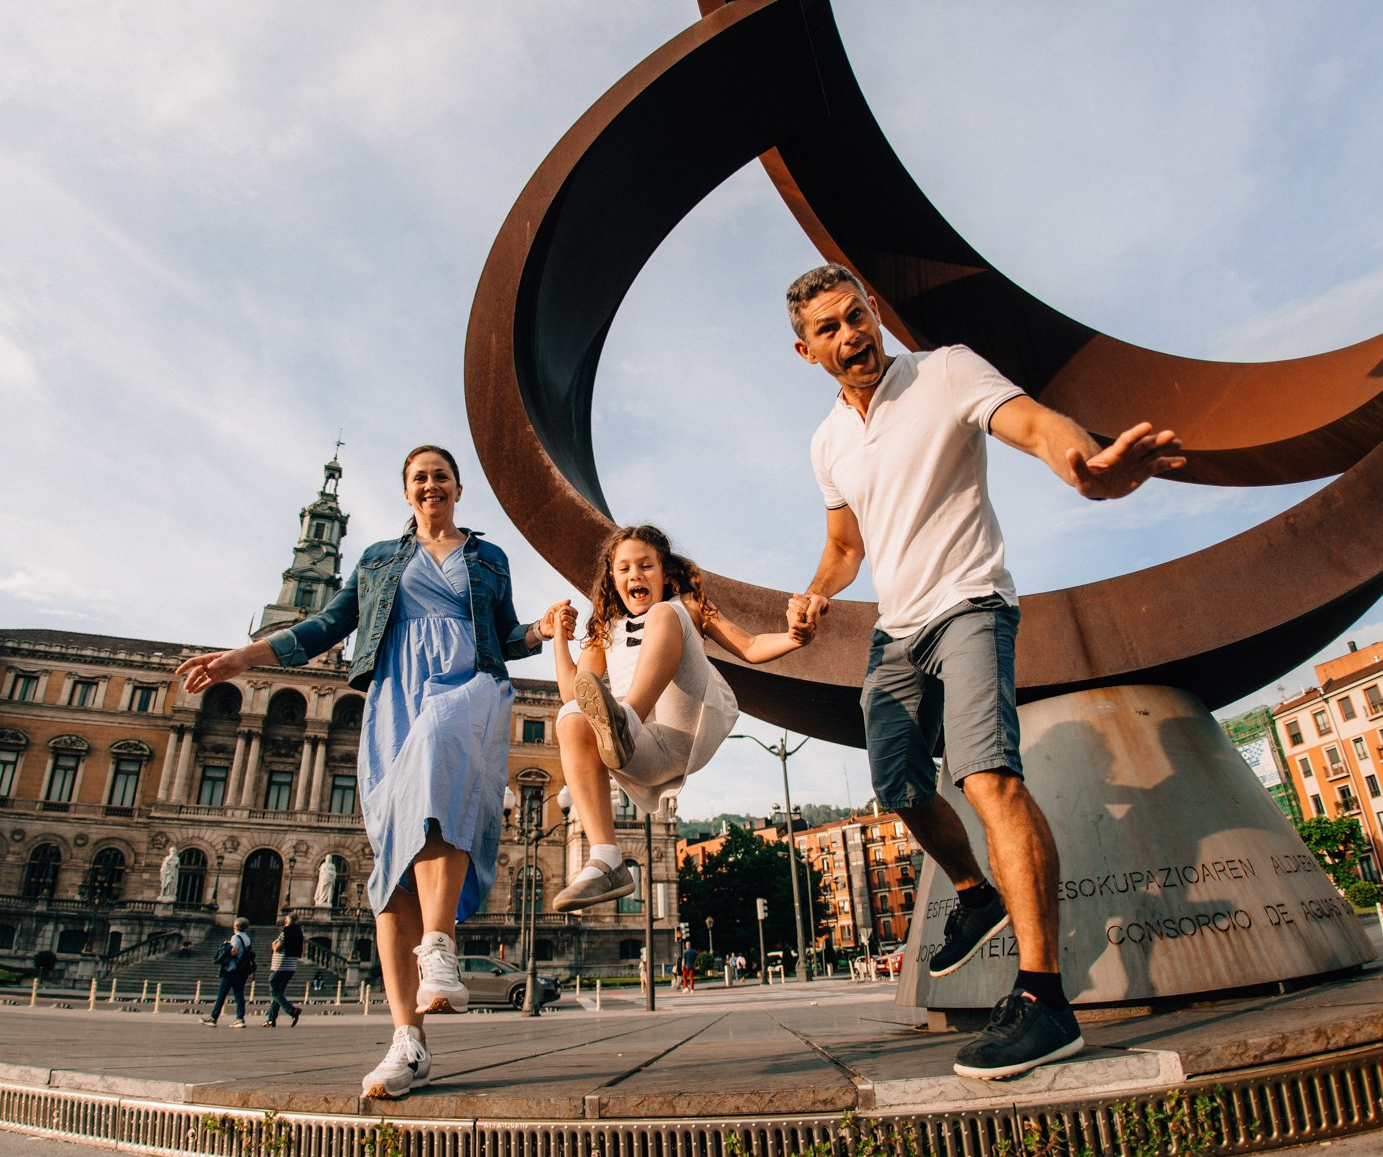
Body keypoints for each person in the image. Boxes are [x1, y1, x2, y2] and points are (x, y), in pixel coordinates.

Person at [781, 264, 1182, 1078]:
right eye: (829, 329)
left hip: (968, 602)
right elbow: (846, 547)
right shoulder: (828, 442)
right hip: (896, 632)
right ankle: (974, 894)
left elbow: (1035, 426)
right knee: (897, 784)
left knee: (987, 778)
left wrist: (1088, 467)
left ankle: (1044, 1001)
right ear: (806, 350)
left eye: (857, 315)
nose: (851, 335)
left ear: (874, 313)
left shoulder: (947, 370)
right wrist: (817, 592)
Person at [176, 445, 563, 1099]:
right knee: (390, 875)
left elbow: (505, 633)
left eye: (441, 474)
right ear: (407, 492)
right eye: (419, 477)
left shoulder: (487, 558)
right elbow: (330, 624)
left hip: (466, 685)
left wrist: (541, 630)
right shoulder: (380, 558)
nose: (431, 483)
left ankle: (437, 946)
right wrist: (246, 656)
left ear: (458, 488)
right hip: (393, 697)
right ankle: (407, 1044)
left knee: (441, 775)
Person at [548, 524, 809, 909]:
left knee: (664, 613)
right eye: (624, 569)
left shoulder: (686, 606)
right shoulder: (606, 628)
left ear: (665, 572)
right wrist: (558, 636)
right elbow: (573, 694)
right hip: (640, 754)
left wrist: (794, 637)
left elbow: (750, 647)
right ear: (613, 579)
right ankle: (607, 860)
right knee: (571, 715)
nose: (635, 575)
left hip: (682, 728)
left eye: (645, 566)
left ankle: (626, 720)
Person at [203, 917, 255, 1028]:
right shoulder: (247, 938)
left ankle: (213, 1018)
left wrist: (228, 948)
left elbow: (234, 951)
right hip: (242, 971)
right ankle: (240, 1018)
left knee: (221, 995)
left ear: (235, 926)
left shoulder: (235, 937)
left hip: (231, 970)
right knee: (239, 995)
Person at [265, 912, 304, 1027]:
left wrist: (273, 945)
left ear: (287, 921)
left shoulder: (285, 932)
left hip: (280, 966)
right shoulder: (299, 933)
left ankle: (292, 1010)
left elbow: (277, 948)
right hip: (291, 966)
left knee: (274, 991)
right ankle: (271, 1019)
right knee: (279, 993)